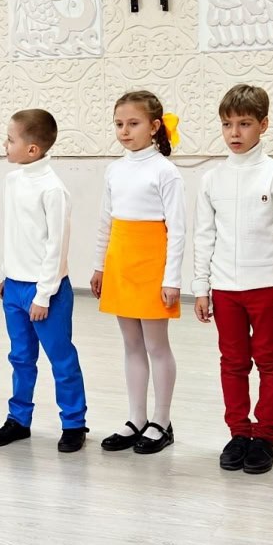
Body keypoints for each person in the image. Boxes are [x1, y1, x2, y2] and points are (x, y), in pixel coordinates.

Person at [192, 85, 273, 474]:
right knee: (233, 362)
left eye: (244, 124)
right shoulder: (212, 179)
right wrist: (201, 287)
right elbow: (204, 235)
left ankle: (265, 436)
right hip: (224, 290)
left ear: (263, 125)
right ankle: (239, 432)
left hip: (267, 287)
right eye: (227, 125)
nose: (235, 133)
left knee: (270, 361)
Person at [0, 109, 89, 454]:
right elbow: (14, 233)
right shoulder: (12, 180)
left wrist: (43, 295)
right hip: (15, 286)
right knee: (20, 357)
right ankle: (19, 419)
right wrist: (6, 274)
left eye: (10, 139)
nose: (5, 144)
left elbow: (56, 246)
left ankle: (74, 423)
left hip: (47, 291)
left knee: (61, 359)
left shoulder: (53, 189)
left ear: (32, 149)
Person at [91, 90, 185, 454]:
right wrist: (100, 265)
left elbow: (177, 230)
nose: (125, 131)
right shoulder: (114, 169)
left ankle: (162, 420)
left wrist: (171, 279)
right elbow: (105, 221)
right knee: (131, 344)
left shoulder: (165, 171)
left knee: (156, 345)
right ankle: (136, 418)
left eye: (133, 123)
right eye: (119, 124)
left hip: (152, 264)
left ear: (154, 126)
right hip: (121, 261)